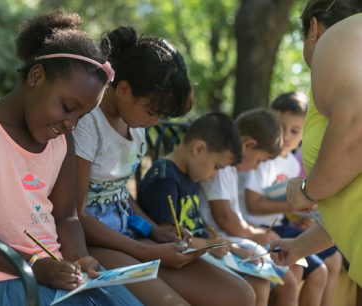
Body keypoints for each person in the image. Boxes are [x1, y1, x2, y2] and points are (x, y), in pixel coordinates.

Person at [0, 10, 142, 306]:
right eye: (68, 107)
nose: (71, 124)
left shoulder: (62, 141)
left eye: (81, 117)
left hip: (47, 272)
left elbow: (66, 216)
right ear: (36, 76)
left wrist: (80, 258)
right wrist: (32, 265)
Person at [74, 26, 256, 306]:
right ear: (123, 89)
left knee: (240, 294)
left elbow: (118, 193)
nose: (156, 121)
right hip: (94, 241)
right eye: (152, 111)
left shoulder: (135, 125)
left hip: (130, 235)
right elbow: (77, 215)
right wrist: (147, 250)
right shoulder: (88, 122)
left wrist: (155, 230)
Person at [269, 0, 362, 288]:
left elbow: (357, 128)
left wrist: (307, 191)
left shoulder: (339, 39)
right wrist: (298, 247)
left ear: (313, 28)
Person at [137, 112, 271, 306]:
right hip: (177, 260)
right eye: (217, 167)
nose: (215, 175)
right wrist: (210, 245)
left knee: (258, 283)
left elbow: (199, 225)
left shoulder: (191, 175)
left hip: (201, 252)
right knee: (246, 291)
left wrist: (232, 247)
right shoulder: (165, 179)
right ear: (199, 149)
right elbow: (167, 237)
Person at [243, 92, 342, 306]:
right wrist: (293, 205)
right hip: (261, 227)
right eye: (281, 127)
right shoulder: (261, 158)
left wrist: (304, 214)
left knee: (324, 268)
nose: (286, 136)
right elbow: (253, 204)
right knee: (297, 269)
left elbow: (289, 208)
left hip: (281, 226)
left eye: (295, 131)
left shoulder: (292, 165)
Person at [200, 108, 304, 306]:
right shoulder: (221, 169)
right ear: (248, 145)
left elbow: (235, 215)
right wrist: (255, 235)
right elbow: (224, 218)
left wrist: (258, 231)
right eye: (259, 161)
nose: (256, 167)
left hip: (233, 239)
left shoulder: (230, 170)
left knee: (294, 270)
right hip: (221, 241)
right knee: (278, 282)